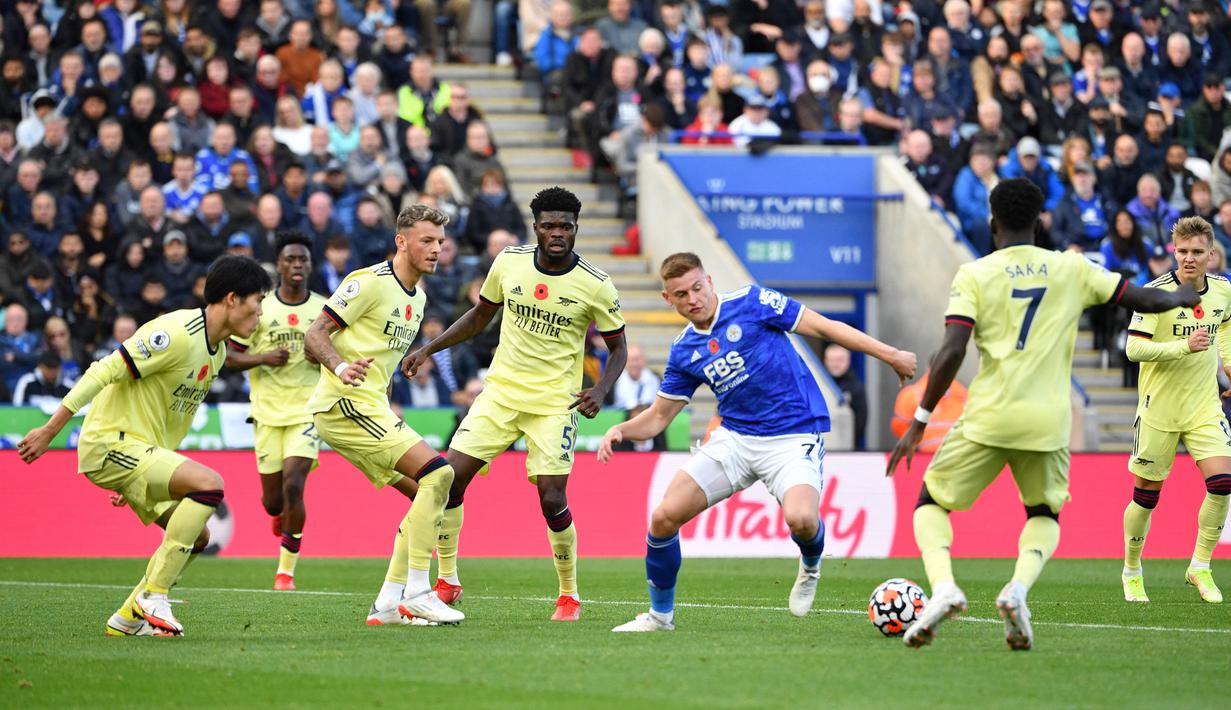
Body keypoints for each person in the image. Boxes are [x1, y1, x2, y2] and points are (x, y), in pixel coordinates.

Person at [886, 178, 1200, 651]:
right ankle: (1017, 589)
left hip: (990, 415)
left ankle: (946, 586)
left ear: (993, 224)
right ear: (1039, 222)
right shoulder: (1071, 268)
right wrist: (1182, 295)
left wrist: (921, 419)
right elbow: (1141, 299)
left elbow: (951, 350)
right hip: (1048, 420)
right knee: (1043, 512)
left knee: (931, 502)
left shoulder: (975, 274)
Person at [598, 252, 915, 632]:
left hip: (793, 434)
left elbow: (825, 327)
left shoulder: (753, 302)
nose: (693, 299)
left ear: (710, 281)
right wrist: (621, 429)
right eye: (681, 294)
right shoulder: (684, 350)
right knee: (663, 518)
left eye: (698, 288)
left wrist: (890, 354)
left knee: (801, 520)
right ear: (669, 299)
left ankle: (811, 562)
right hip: (735, 440)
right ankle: (660, 616)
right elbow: (660, 417)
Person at [401, 187, 628, 622]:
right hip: (500, 394)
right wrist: (429, 348)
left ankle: (569, 595)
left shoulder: (596, 285)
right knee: (447, 479)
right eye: (549, 226)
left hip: (554, 404)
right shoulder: (509, 263)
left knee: (551, 498)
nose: (557, 233)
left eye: (565, 226)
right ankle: (447, 580)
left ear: (576, 228)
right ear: (536, 228)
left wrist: (600, 391)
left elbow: (618, 349)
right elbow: (480, 317)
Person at [17, 255, 273, 636]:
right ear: (232, 299)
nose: (261, 313)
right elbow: (103, 369)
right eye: (258, 302)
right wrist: (51, 429)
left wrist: (145, 477)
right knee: (211, 484)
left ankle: (127, 617)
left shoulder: (216, 352)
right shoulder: (177, 332)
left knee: (198, 536)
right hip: (108, 442)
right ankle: (153, 595)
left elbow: (173, 417)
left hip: (138, 453)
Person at [302, 204, 464, 627]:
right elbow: (314, 334)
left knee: (424, 494)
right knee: (440, 474)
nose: (436, 250)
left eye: (440, 242)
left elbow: (382, 359)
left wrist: (388, 383)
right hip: (342, 404)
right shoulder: (368, 283)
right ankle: (418, 590)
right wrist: (340, 367)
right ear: (401, 241)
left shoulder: (420, 298)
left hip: (369, 405)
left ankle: (389, 603)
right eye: (426, 240)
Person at [1121, 216, 1231, 605]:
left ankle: (1200, 566)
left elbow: (1226, 327)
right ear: (1174, 251)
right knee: (1147, 496)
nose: (1189, 258)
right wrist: (1183, 347)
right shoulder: (1154, 293)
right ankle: (1132, 571)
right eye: (1182, 251)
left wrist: (1228, 366)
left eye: (1197, 252)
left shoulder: (1222, 291)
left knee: (1222, 483)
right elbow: (1133, 348)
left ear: (1211, 255)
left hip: (1203, 405)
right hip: (1159, 408)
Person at [224, 232, 326, 591]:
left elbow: (338, 354)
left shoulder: (324, 310)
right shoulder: (261, 308)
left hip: (307, 412)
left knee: (294, 483)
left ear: (310, 266)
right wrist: (264, 357)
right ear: (279, 264)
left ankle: (285, 571)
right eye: (290, 259)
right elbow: (228, 356)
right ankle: (280, 516)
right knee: (272, 502)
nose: (297, 265)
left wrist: (324, 356)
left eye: (303, 260)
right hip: (266, 413)